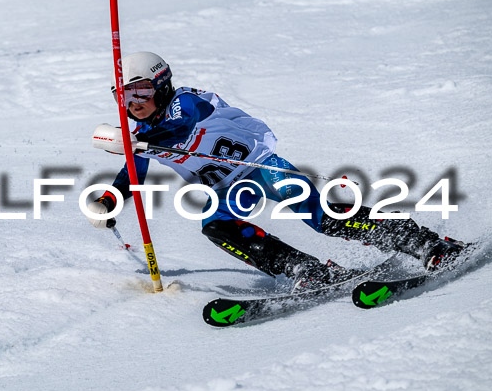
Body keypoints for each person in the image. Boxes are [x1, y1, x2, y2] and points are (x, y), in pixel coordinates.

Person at [87, 51, 463, 289]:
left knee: (322, 219)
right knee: (215, 226)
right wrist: (108, 200)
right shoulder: (142, 135)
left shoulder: (186, 101)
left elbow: (184, 125)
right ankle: (306, 270)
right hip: (227, 190)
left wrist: (136, 141)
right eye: (124, 95)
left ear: (162, 84)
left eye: (140, 92)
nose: (133, 103)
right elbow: (132, 173)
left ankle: (424, 242)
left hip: (261, 166)